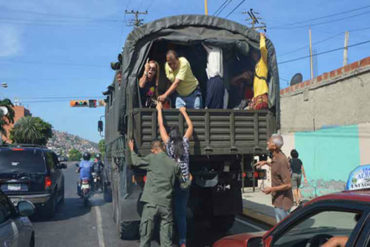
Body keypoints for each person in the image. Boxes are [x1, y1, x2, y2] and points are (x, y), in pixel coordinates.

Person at [128, 139, 182, 247]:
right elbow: (183, 183)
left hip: (151, 204)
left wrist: (131, 149)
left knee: (145, 237)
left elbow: (136, 162)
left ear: (154, 150)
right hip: (166, 205)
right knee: (166, 241)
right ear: (163, 148)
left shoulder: (152, 158)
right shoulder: (173, 163)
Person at [156, 101, 192, 247]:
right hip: (185, 182)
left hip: (173, 182)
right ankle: (183, 241)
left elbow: (160, 126)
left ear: (171, 136)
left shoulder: (168, 144)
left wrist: (159, 110)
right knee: (181, 213)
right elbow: (190, 127)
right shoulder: (185, 142)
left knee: (168, 213)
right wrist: (183, 111)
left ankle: (169, 239)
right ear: (180, 135)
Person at [256, 134, 293, 223]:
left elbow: (288, 185)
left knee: (283, 230)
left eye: (270, 142)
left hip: (283, 203)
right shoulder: (276, 157)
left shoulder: (281, 160)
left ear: (275, 146)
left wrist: (271, 189)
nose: (267, 143)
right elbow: (276, 167)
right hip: (278, 201)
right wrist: (265, 162)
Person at [231, 33, 269, 110]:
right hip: (256, 98)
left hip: (261, 97)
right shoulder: (256, 67)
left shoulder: (262, 63)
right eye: (252, 53)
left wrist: (262, 38)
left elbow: (263, 50)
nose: (253, 55)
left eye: (255, 52)